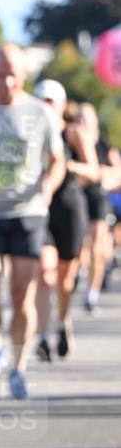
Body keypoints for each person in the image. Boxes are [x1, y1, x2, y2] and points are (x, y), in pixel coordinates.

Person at [0, 49, 65, 398]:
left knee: (20, 293)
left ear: (24, 74)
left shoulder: (40, 112)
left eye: (13, 75)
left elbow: (57, 161)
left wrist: (48, 185)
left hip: (28, 213)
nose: (6, 82)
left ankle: (19, 366)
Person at [34, 83, 99, 358]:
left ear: (62, 104)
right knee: (44, 272)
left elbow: (94, 171)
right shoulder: (30, 133)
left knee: (65, 277)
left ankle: (62, 322)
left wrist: (67, 165)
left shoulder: (72, 133)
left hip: (70, 208)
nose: (47, 105)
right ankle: (44, 335)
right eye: (41, 100)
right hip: (40, 208)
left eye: (51, 101)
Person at [78, 103, 120, 313]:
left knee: (98, 249)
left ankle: (91, 293)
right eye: (79, 118)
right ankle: (79, 274)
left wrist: (104, 176)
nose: (82, 122)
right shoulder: (72, 143)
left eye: (86, 118)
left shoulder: (104, 146)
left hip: (99, 199)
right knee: (80, 246)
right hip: (77, 199)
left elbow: (118, 172)